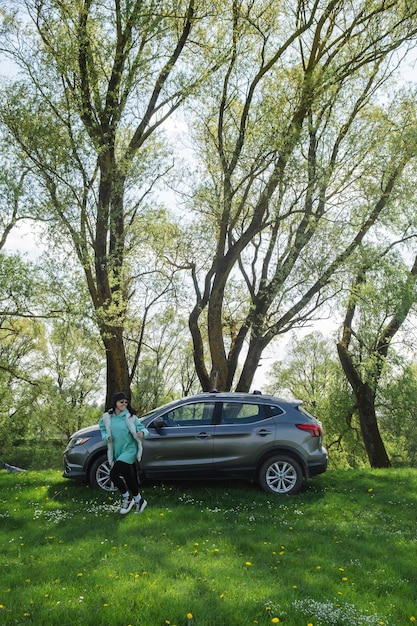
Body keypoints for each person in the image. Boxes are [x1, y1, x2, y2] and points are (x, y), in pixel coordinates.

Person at [99, 392, 149, 515]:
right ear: (115, 402)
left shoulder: (130, 417)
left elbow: (143, 428)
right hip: (118, 451)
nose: (124, 404)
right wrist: (107, 437)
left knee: (113, 474)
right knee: (128, 477)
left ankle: (127, 498)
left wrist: (142, 433)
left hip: (130, 450)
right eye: (121, 402)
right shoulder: (107, 417)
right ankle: (139, 500)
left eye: (126, 402)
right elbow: (103, 430)